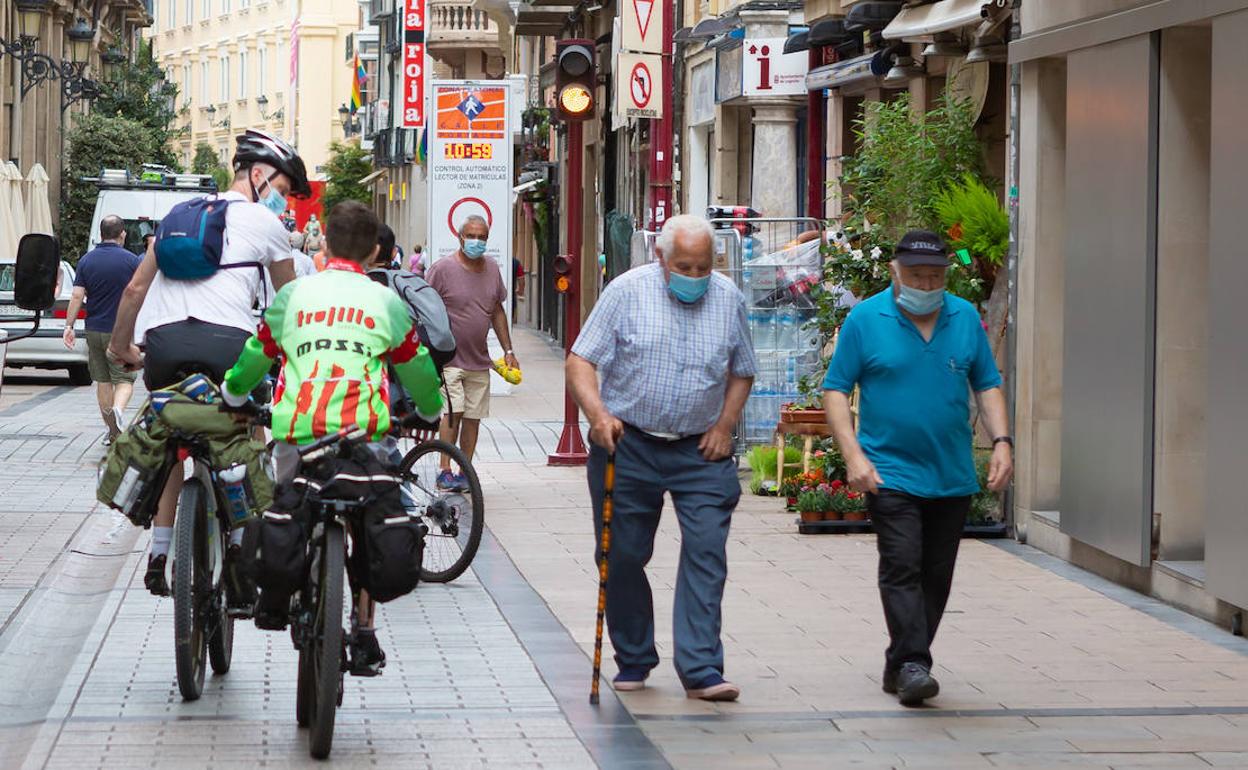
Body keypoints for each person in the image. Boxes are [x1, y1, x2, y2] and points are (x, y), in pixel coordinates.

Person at [221, 200, 444, 673]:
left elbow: (257, 354)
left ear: (325, 242)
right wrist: (428, 409)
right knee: (370, 520)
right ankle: (364, 630)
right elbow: (416, 363)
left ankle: (282, 596)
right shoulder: (386, 302)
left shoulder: (294, 296)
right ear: (374, 251)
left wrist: (235, 393)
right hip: (364, 435)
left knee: (285, 502)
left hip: (298, 435)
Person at [108, 128, 310, 599]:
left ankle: (160, 551)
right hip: (228, 347)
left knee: (172, 433)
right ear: (258, 176)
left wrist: (124, 349)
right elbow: (287, 303)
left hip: (163, 345)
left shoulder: (179, 214)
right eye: (280, 191)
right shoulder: (264, 224)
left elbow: (135, 290)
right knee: (246, 429)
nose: (282, 202)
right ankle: (241, 548)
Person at [566, 214, 757, 702]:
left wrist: (725, 426)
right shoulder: (626, 292)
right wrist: (598, 414)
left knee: (707, 552)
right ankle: (634, 656)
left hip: (701, 448)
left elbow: (742, 370)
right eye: (684, 268)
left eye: (702, 269)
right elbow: (580, 359)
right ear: (661, 259)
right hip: (628, 442)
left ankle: (701, 669)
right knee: (622, 554)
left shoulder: (729, 299)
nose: (695, 278)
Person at [822, 229, 1013, 707]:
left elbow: (987, 384)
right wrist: (853, 455)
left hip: (950, 472)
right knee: (902, 564)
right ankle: (914, 664)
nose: (926, 284)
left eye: (934, 276)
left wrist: (1003, 443)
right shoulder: (866, 319)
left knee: (936, 573)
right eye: (916, 275)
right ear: (894, 271)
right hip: (889, 470)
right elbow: (835, 390)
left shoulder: (965, 317)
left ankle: (900, 663)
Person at [424, 215, 518, 490]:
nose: (477, 242)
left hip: (480, 359)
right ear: (460, 237)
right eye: (472, 236)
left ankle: (464, 469)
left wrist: (508, 349)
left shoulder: (491, 268)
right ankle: (444, 470)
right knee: (454, 411)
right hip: (449, 357)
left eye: (482, 237)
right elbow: (425, 306)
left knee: (474, 416)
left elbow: (497, 311)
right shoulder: (442, 269)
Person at [63, 215, 142, 444]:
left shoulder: (87, 261)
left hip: (94, 330)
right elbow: (139, 292)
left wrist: (69, 326)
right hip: (121, 331)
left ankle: (111, 431)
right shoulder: (132, 261)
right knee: (125, 379)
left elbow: (77, 295)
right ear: (122, 234)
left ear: (101, 233)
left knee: (103, 381)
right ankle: (118, 411)